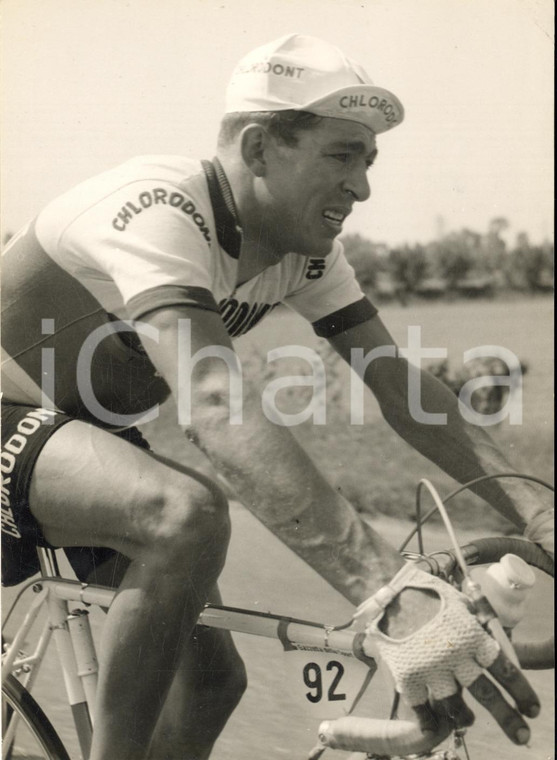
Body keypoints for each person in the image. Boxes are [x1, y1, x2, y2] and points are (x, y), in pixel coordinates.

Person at [1, 33, 553, 759]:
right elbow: (213, 406)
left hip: (81, 434)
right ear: (260, 148)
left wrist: (539, 513)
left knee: (208, 682)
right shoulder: (157, 208)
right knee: (183, 515)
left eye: (367, 161)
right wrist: (389, 593)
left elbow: (397, 384)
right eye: (340, 155)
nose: (361, 186)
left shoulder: (305, 251)